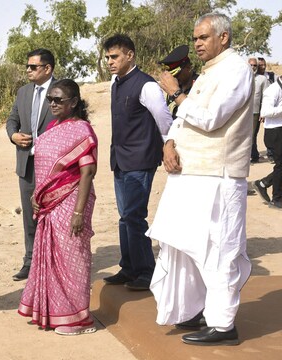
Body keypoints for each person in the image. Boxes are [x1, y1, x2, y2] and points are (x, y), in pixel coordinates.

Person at [148, 12, 253, 346]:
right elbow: (184, 121)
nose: (197, 44)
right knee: (185, 245)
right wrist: (169, 144)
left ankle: (223, 325)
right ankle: (195, 309)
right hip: (192, 174)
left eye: (203, 38)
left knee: (218, 249)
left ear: (223, 38)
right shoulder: (211, 72)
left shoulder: (236, 69)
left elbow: (211, 119)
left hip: (218, 176)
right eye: (195, 38)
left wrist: (177, 94)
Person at [17, 79, 98, 336]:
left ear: (73, 102)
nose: (52, 103)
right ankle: (53, 312)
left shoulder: (82, 131)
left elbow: (87, 172)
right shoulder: (52, 127)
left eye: (58, 99)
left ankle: (77, 319)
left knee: (73, 258)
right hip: (48, 205)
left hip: (72, 201)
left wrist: (77, 213)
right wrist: (38, 195)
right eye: (50, 99)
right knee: (50, 258)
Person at [102, 34, 173, 291]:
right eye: (107, 57)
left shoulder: (147, 85)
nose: (109, 61)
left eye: (115, 56)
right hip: (120, 160)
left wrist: (169, 145)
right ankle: (129, 267)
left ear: (130, 55)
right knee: (125, 217)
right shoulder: (115, 84)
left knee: (135, 216)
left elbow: (164, 119)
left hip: (140, 160)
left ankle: (146, 272)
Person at [6, 48, 56, 281]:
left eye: (33, 67)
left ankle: (54, 263)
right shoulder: (23, 92)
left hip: (54, 166)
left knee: (54, 215)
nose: (28, 70)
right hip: (27, 163)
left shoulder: (62, 90)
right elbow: (12, 120)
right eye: (27, 66)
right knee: (29, 215)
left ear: (47, 68)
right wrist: (13, 135)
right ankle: (30, 261)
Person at [253, 75, 282, 209]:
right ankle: (277, 199)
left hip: (280, 129)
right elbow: (265, 111)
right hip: (274, 132)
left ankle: (263, 183)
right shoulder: (273, 90)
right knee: (280, 165)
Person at [158, 45, 198, 119]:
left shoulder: (199, 84)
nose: (174, 78)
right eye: (172, 75)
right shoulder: (169, 87)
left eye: (177, 74)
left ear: (188, 67)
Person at [248, 58, 269, 163]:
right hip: (243, 111)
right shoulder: (242, 78)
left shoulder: (262, 79)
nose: (253, 67)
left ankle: (253, 156)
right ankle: (250, 155)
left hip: (255, 112)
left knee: (252, 135)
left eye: (255, 65)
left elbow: (266, 97)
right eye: (251, 65)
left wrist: (263, 112)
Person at [258, 57, 276, 162]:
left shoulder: (271, 76)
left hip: (269, 107)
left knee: (269, 130)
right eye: (260, 65)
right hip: (257, 107)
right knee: (253, 132)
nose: (263, 67)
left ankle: (271, 153)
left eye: (264, 64)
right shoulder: (253, 77)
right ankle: (254, 153)